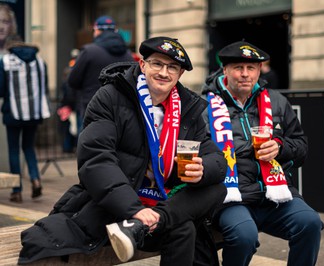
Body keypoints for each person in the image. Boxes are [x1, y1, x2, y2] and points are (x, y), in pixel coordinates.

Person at [18, 36, 227, 265]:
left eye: (172, 67)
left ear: (179, 75)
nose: (164, 73)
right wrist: (134, 209)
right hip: (118, 202)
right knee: (183, 227)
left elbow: (217, 158)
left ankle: (144, 225)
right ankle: (142, 221)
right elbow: (96, 159)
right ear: (142, 64)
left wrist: (203, 168)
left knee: (215, 189)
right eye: (157, 63)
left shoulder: (188, 109)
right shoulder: (111, 97)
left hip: (163, 202)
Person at [201, 41, 323, 266]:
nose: (245, 74)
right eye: (238, 67)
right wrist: (248, 149)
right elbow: (203, 154)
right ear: (225, 70)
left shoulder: (276, 101)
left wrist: (281, 147)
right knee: (244, 237)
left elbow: (301, 147)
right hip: (230, 197)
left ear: (259, 70)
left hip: (274, 193)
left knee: (310, 223)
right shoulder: (203, 105)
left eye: (252, 68)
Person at [0, 40, 50, 203]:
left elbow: (1, 88)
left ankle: (17, 191)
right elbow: (45, 86)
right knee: (29, 147)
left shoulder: (6, 61)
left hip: (12, 112)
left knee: (14, 150)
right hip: (34, 112)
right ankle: (35, 179)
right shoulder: (40, 62)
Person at [68, 15, 133, 134]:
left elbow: (73, 80)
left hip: (92, 106)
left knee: (90, 144)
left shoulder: (89, 51)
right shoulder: (128, 54)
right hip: (120, 108)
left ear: (97, 30)